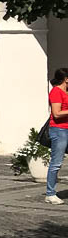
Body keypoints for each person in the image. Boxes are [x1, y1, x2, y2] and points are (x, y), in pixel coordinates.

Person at [45, 67, 68, 205]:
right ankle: (50, 193)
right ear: (66, 79)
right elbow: (57, 113)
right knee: (56, 163)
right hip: (59, 131)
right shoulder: (56, 92)